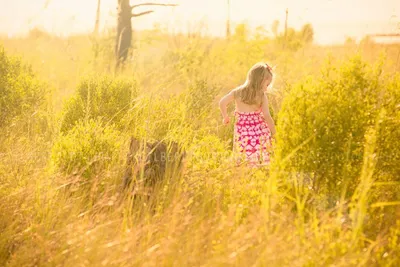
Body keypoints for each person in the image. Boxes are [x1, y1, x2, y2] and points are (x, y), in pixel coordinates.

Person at [219, 62, 276, 166]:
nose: (267, 88)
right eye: (267, 85)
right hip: (259, 131)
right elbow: (267, 116)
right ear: (261, 80)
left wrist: (225, 117)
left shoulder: (237, 92)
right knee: (261, 154)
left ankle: (244, 172)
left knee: (243, 153)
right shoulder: (262, 96)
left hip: (242, 131)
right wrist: (274, 132)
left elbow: (222, 102)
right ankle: (260, 170)